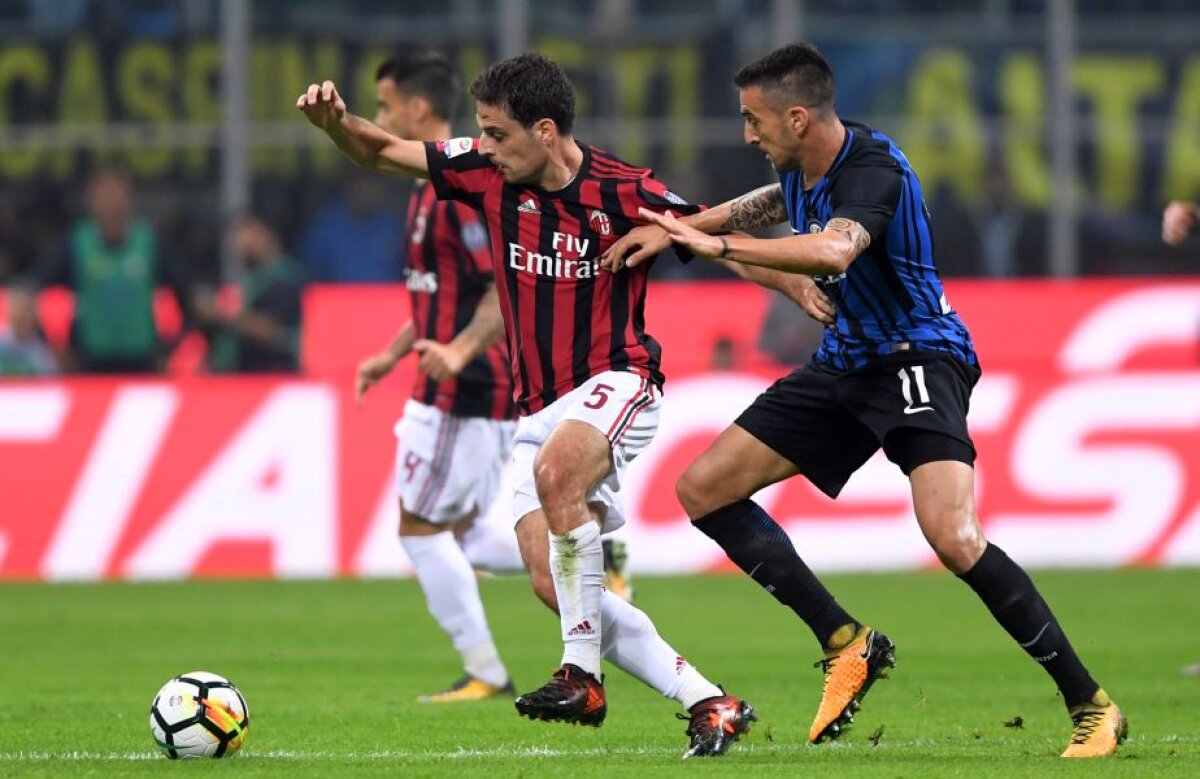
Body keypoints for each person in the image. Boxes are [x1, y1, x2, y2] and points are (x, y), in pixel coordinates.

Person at [603, 43, 1126, 759]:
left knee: (954, 536)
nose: (747, 135)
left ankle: (1092, 704)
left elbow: (833, 251)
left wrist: (718, 247)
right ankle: (845, 640)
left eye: (755, 120)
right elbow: (760, 206)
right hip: (845, 361)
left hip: (917, 357)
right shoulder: (799, 167)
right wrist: (676, 230)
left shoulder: (873, 169)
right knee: (705, 488)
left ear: (796, 117)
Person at [299, 52, 770, 757]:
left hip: (619, 378)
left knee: (556, 478)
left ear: (544, 130)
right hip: (537, 407)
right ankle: (709, 700)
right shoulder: (484, 172)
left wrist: (802, 285)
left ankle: (581, 675)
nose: (484, 146)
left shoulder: (623, 189)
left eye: (497, 133)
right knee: (556, 583)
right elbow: (380, 150)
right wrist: (336, 124)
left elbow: (717, 241)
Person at [352, 47, 524, 704]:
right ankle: (589, 553)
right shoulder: (427, 189)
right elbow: (438, 294)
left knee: (420, 529)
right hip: (452, 380)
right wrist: (392, 353)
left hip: (465, 387)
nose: (378, 119)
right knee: (465, 533)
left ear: (418, 108)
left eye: (384, 106)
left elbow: (501, 289)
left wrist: (457, 352)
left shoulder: (458, 194)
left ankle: (485, 670)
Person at [30, 166, 192, 373]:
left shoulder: (148, 243)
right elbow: (32, 288)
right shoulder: (77, 244)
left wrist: (170, 348)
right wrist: (54, 346)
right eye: (103, 195)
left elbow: (187, 296)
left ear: (129, 199)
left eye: (116, 194)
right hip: (89, 360)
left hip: (141, 360)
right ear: (90, 200)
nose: (110, 203)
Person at [195, 215, 305, 374]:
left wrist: (220, 314)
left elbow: (270, 330)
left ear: (267, 235)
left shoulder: (283, 280)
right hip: (240, 372)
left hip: (271, 372)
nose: (240, 244)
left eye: (249, 235)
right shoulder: (252, 278)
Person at [0, 283, 57, 376]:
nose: (20, 314)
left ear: (34, 314)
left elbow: (50, 378)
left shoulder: (41, 349)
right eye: (17, 308)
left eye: (25, 309)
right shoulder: (2, 343)